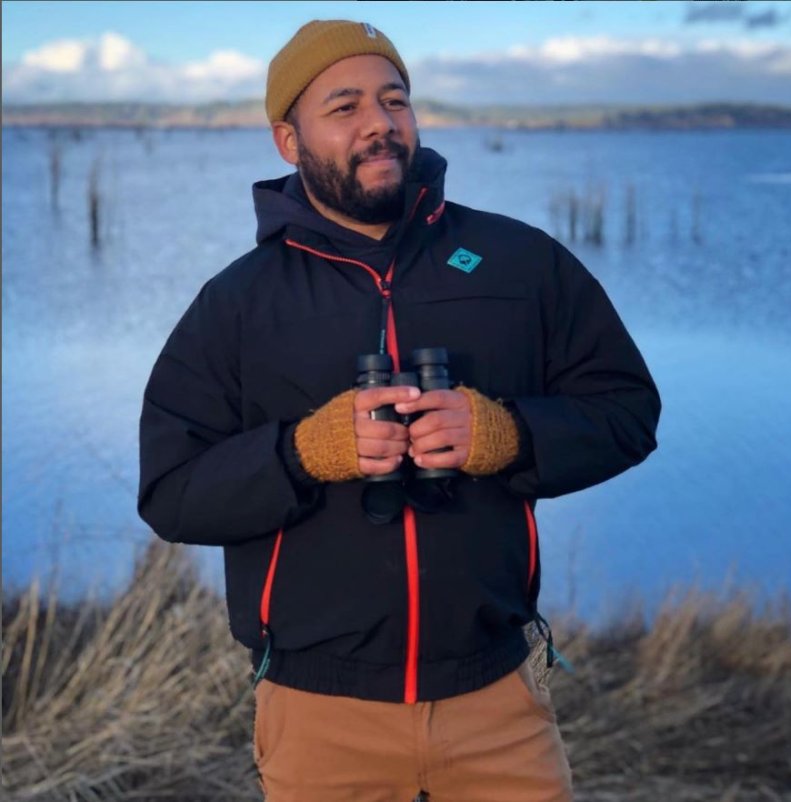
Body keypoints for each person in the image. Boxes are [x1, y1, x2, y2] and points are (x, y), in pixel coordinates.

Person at [138, 19, 660, 802]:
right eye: (344, 107)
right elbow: (171, 491)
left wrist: (509, 434)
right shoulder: (239, 305)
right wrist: (300, 454)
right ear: (289, 140)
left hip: (499, 702)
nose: (380, 123)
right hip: (320, 717)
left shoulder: (521, 262)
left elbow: (627, 411)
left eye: (395, 100)